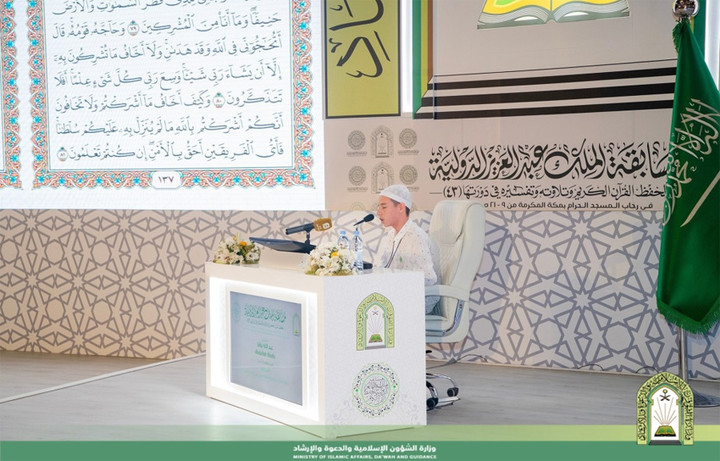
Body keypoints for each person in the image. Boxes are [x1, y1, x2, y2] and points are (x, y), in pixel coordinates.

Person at [375, 184, 439, 313]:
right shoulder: (391, 235)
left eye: (384, 207)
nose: (378, 212)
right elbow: (383, 267)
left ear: (400, 207)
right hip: (397, 295)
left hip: (418, 300)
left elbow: (428, 279)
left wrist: (397, 282)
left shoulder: (416, 236)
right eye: (378, 207)